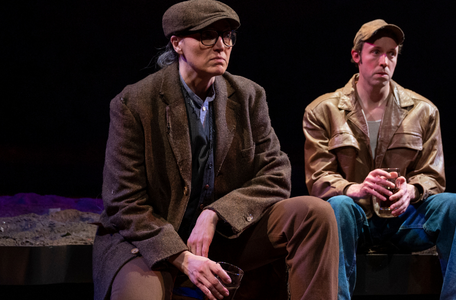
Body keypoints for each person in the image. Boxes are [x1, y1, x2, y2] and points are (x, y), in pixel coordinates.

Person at [93, 1, 339, 300]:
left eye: (227, 36)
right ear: (177, 44)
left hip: (223, 234)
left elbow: (276, 174)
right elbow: (124, 202)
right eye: (207, 35)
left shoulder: (249, 96)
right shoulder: (135, 103)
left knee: (315, 213)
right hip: (150, 241)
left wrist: (214, 214)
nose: (221, 45)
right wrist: (183, 258)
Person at [302, 19, 456, 300]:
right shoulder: (323, 110)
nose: (384, 61)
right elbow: (319, 178)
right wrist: (356, 189)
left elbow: (433, 175)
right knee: (337, 206)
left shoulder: (423, 110)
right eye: (376, 52)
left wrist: (412, 190)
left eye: (392, 53)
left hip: (403, 220)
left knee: (454, 204)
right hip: (355, 222)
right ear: (356, 56)